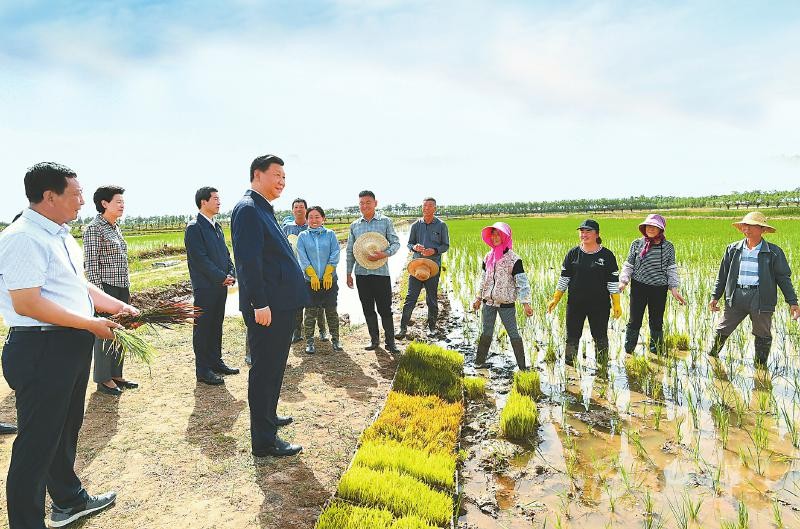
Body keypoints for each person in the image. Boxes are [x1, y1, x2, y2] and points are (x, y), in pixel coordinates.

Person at [0, 162, 139, 529]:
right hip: (42, 348)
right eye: (76, 194)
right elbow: (27, 303)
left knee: (64, 430)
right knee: (36, 446)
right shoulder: (23, 237)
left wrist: (116, 305)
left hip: (67, 344)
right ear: (50, 196)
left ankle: (68, 500)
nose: (81, 201)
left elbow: (78, 286)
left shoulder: (60, 234)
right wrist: (91, 324)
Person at [232, 154, 309, 457]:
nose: (282, 182)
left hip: (280, 304)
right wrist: (259, 303)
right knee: (265, 370)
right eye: (277, 175)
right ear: (257, 174)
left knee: (275, 367)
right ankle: (264, 441)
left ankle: (269, 416)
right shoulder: (248, 209)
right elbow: (248, 262)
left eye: (284, 177)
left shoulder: (263, 208)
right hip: (268, 308)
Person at [708, 211, 800, 367]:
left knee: (762, 333)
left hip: (761, 298)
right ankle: (712, 360)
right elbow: (722, 275)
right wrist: (715, 296)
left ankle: (760, 368)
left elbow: (783, 278)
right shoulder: (733, 249)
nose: (747, 228)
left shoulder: (773, 252)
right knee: (723, 329)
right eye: (745, 225)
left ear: (762, 229)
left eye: (751, 225)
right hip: (736, 296)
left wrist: (793, 302)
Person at [83, 185, 138, 396]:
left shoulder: (115, 227)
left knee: (120, 330)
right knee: (105, 332)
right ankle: (103, 379)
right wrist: (98, 297)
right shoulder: (94, 228)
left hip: (121, 286)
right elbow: (91, 266)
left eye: (123, 202)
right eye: (118, 202)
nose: (122, 205)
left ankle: (116, 374)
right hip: (105, 289)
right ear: (104, 203)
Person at [547, 219, 621, 367]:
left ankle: (602, 367)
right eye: (582, 231)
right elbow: (564, 278)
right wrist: (556, 298)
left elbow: (612, 281)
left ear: (597, 234)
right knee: (572, 337)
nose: (584, 234)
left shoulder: (607, 255)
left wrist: (617, 303)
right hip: (575, 304)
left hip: (600, 305)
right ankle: (569, 368)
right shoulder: (573, 254)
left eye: (588, 231)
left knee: (600, 336)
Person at [185, 186, 239, 386]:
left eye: (219, 198)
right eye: (215, 199)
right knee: (203, 328)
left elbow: (225, 253)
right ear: (203, 202)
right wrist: (220, 276)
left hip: (220, 286)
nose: (219, 202)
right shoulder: (194, 227)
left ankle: (216, 362)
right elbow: (200, 259)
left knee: (216, 325)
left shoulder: (216, 226)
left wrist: (231, 272)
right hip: (205, 287)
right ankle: (203, 369)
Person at [619, 214, 686, 355]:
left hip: (659, 289)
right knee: (634, 320)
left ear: (661, 229)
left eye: (654, 226)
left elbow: (671, 268)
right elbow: (629, 265)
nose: (650, 229)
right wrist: (623, 282)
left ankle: (656, 351)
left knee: (656, 321)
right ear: (644, 228)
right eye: (648, 226)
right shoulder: (637, 244)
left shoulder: (668, 247)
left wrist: (674, 288)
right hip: (639, 287)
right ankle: (629, 351)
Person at [471, 222, 533, 369]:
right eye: (493, 234)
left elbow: (522, 283)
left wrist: (526, 303)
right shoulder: (488, 257)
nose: (495, 237)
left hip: (506, 304)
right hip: (488, 303)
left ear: (505, 236)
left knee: (513, 334)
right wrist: (478, 298)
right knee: (486, 332)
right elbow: (483, 280)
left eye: (498, 234)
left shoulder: (514, 259)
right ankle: (479, 362)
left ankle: (523, 368)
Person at [345, 190, 401, 354]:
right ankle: (374, 340)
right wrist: (348, 273)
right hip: (361, 274)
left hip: (381, 273)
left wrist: (384, 254)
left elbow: (396, 243)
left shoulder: (385, 221)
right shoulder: (355, 225)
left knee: (385, 309)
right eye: (361, 203)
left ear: (375, 203)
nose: (364, 206)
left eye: (368, 202)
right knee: (367, 308)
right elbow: (350, 251)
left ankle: (390, 343)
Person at [396, 197, 449, 339]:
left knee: (431, 299)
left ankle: (432, 328)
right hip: (417, 267)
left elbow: (445, 245)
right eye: (424, 205)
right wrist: (415, 247)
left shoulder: (441, 225)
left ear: (435, 208)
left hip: (432, 268)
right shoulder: (415, 225)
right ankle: (402, 328)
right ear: (422, 208)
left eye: (430, 206)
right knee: (410, 298)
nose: (426, 208)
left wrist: (434, 250)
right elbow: (409, 244)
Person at [296, 206, 343, 354]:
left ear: (323, 219)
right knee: (310, 312)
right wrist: (312, 275)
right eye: (310, 217)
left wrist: (328, 272)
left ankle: (335, 340)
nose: (314, 220)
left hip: (329, 281)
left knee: (331, 311)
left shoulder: (330, 234)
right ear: (307, 220)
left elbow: (335, 253)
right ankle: (309, 342)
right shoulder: (303, 236)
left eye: (317, 217)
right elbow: (302, 257)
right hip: (310, 282)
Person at [282, 198, 328, 344]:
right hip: (293, 272)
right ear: (292, 211)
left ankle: (322, 330)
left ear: (306, 210)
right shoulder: (287, 229)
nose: (299, 209)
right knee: (296, 302)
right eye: (296, 207)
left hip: (314, 271)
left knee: (317, 302)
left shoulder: (313, 227)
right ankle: (297, 332)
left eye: (301, 207)